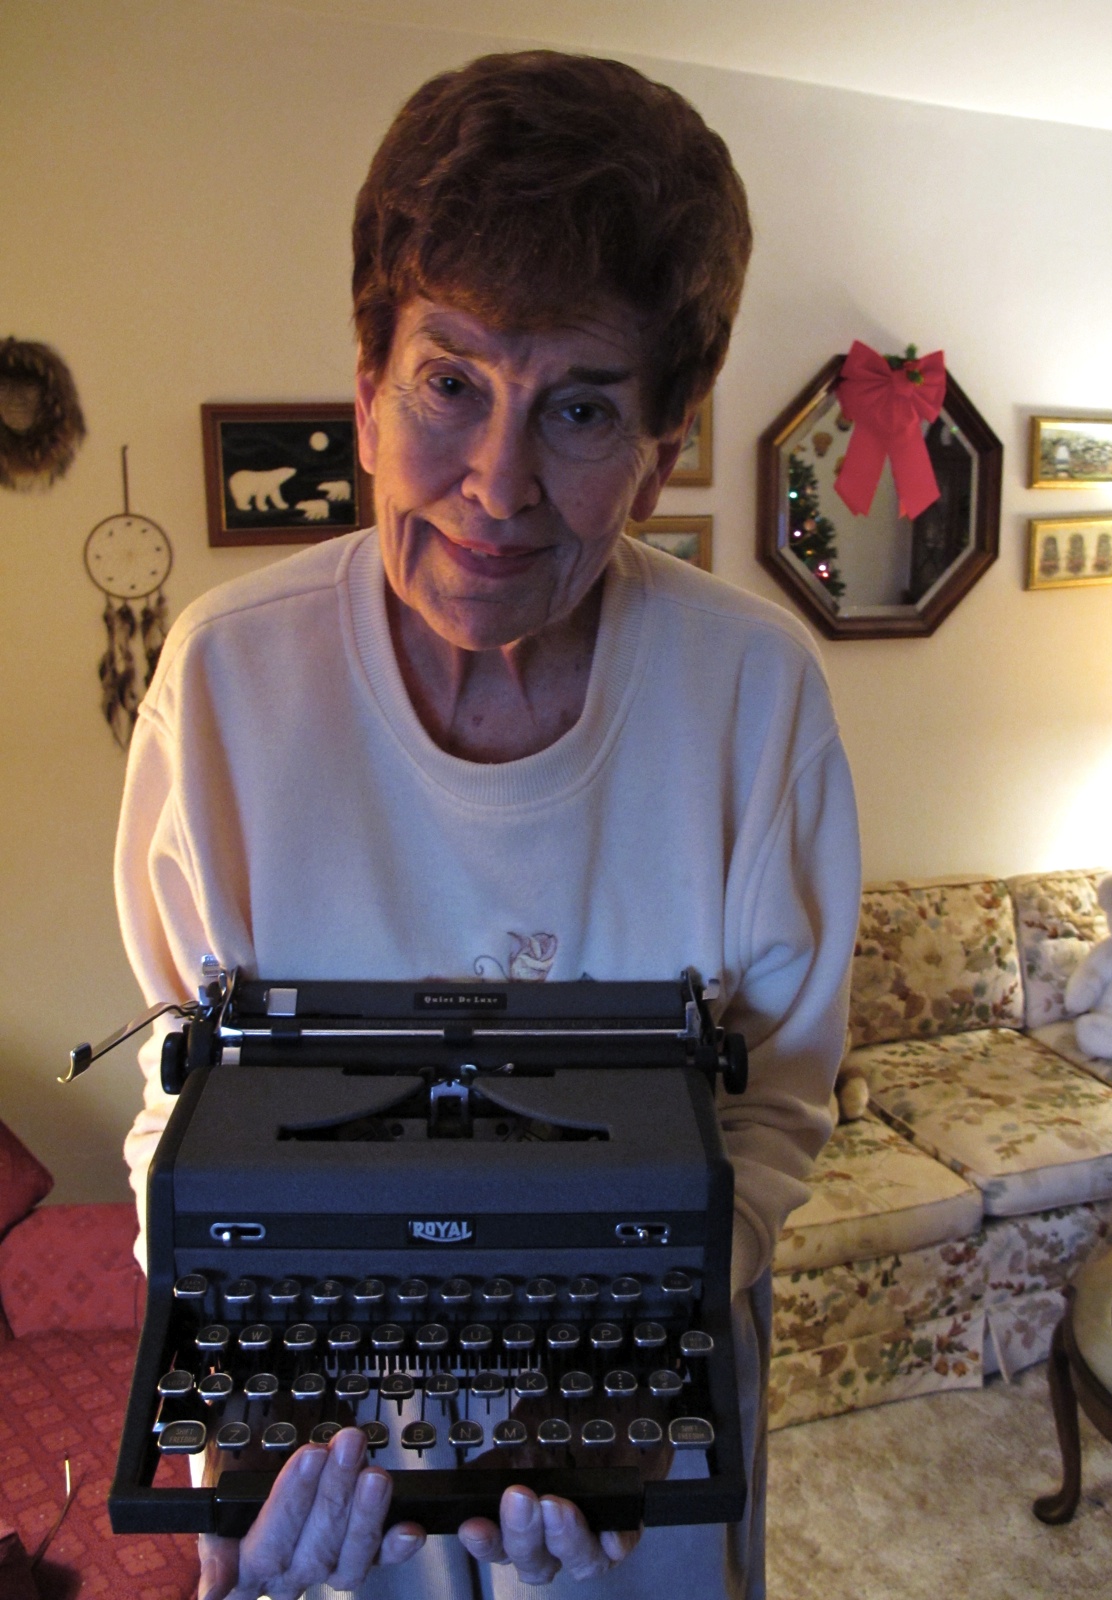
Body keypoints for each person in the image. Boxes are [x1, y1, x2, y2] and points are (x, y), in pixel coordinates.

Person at [117, 50, 860, 1600]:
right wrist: (256, 1414)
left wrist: (611, 1364)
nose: (497, 486)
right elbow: (179, 1101)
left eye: (580, 408)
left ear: (663, 449)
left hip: (629, 1416)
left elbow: (774, 1111)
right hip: (317, 1424)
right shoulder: (225, 678)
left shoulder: (756, 693)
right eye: (451, 383)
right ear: (367, 389)